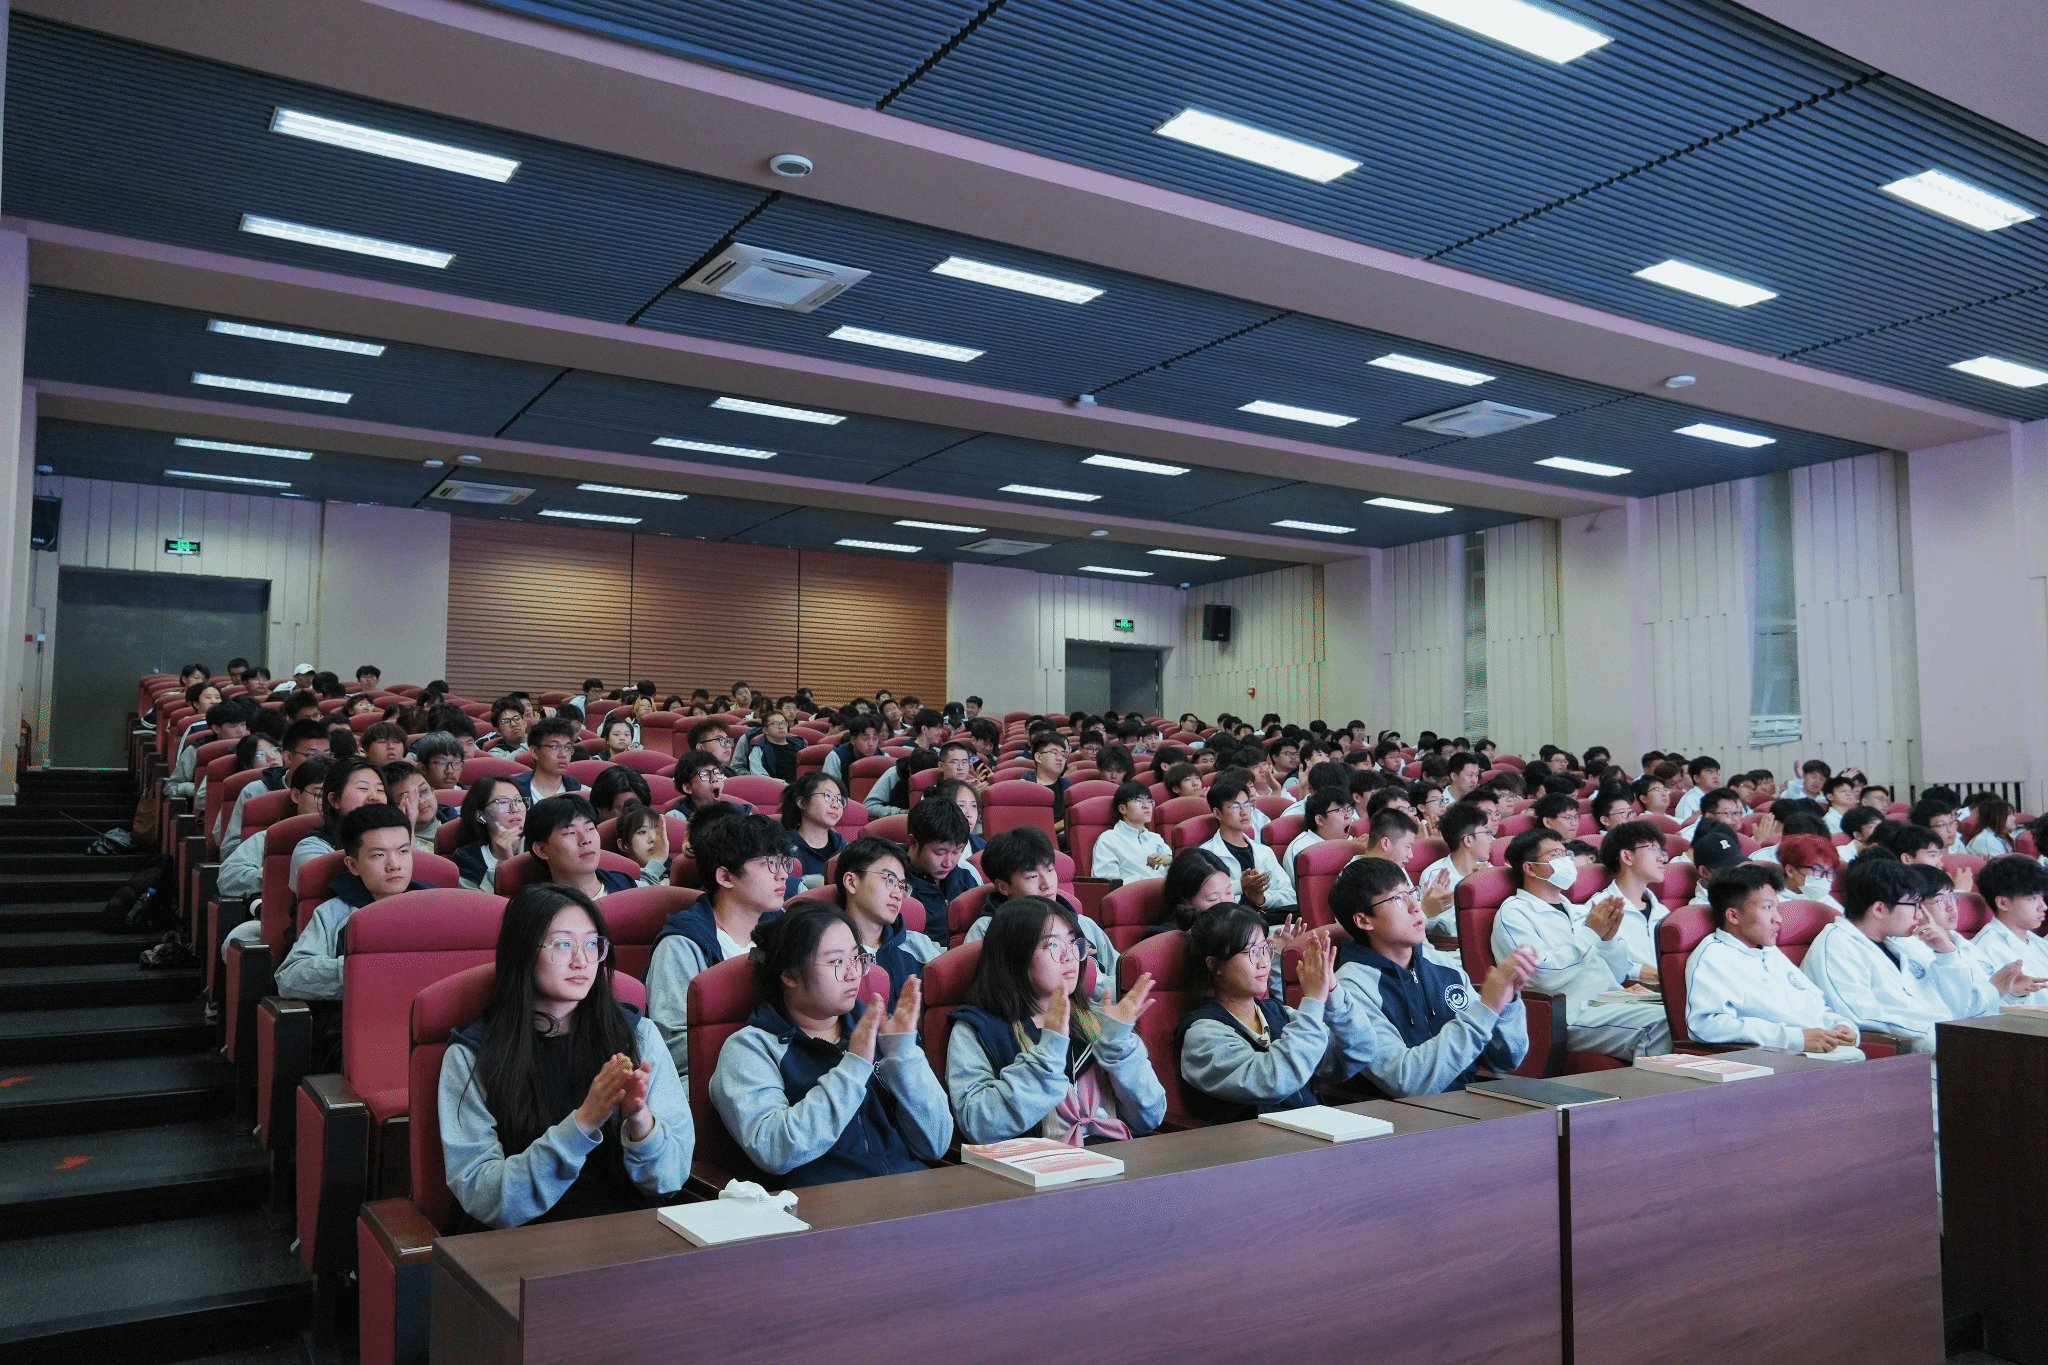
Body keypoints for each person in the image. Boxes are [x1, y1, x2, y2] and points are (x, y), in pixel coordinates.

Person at [440, 885, 691, 1228]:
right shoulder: (471, 1054)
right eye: (562, 944)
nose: (581, 961)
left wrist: (640, 1122)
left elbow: (671, 1178)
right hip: (524, 1241)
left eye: (591, 944)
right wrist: (583, 1123)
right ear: (522, 951)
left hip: (628, 1232)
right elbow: (484, 1196)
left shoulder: (638, 1035)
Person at [708, 902, 950, 1186]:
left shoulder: (880, 1030)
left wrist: (903, 1053)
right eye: (836, 962)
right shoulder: (752, 1048)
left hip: (906, 1191)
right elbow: (774, 1150)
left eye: (856, 958)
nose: (853, 973)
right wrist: (854, 1067)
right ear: (790, 974)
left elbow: (936, 1144)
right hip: (822, 1203)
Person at [945, 897, 1163, 1145]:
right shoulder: (978, 1029)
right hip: (1035, 1164)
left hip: (1116, 1156)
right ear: (1015, 956)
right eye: (1053, 945)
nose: (1070, 955)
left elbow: (1150, 1118)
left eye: (1073, 942)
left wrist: (1119, 1045)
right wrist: (1049, 1052)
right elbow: (977, 1125)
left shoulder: (1099, 1019)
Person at [1329, 857, 1534, 1095]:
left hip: (1465, 1102)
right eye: (1398, 898)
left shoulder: (1443, 965)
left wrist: (1506, 1004)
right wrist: (1486, 1009)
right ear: (1364, 920)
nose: (1416, 907)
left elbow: (1505, 1060)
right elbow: (1405, 1081)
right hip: (1399, 1114)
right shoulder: (1351, 988)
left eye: (1412, 893)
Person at [1801, 855, 2012, 1052]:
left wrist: (1945, 953)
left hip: (1947, 1038)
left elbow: (1958, 1005)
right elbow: (1861, 1015)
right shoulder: (1837, 945)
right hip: (1912, 1053)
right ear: (1879, 909)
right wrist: (1943, 1034)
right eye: (1913, 905)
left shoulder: (1897, 944)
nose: (1921, 914)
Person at [1492, 829, 1670, 1059]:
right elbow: (1543, 976)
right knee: (1662, 1026)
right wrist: (1590, 934)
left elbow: (1618, 973)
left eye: (1566, 853)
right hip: (1567, 1012)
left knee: (1681, 1015)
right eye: (1556, 855)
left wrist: (1608, 940)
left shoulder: (1577, 911)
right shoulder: (1514, 913)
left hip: (1610, 1000)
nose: (1566, 860)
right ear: (1530, 868)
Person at [276, 804, 427, 1066]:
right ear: (353, 865)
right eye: (378, 855)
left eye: (403, 851)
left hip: (427, 1026)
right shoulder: (334, 913)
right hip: (361, 1031)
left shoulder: (437, 907)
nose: (394, 865)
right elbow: (290, 976)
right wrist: (366, 972)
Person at [1176, 905, 1358, 1120]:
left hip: (1310, 1130)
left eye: (1265, 949)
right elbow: (1273, 1081)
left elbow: (1352, 1056)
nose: (1264, 963)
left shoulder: (1278, 1013)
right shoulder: (1202, 1036)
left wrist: (1332, 991)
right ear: (1215, 964)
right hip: (1253, 1140)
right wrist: (1313, 1002)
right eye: (1252, 952)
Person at [645, 812, 793, 1071]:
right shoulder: (682, 945)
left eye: (784, 862)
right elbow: (673, 1045)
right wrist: (757, 1056)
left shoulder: (785, 931)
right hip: (714, 1076)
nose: (783, 874)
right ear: (725, 877)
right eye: (769, 863)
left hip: (783, 1065)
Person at [1684, 862, 1862, 1056]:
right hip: (1782, 1059)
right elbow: (1705, 1025)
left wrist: (1840, 1025)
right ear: (1733, 915)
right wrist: (1794, 1038)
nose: (1778, 918)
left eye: (1777, 907)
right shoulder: (1713, 957)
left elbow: (1814, 1007)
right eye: (1767, 907)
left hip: (1828, 1055)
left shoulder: (1770, 951)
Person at [836, 836, 943, 1001]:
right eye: (889, 880)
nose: (898, 894)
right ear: (851, 882)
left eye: (902, 886)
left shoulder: (919, 946)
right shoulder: (829, 953)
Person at [1578, 821, 1672, 987]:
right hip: (1623, 993)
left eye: (1661, 851)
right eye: (1652, 849)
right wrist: (1638, 970)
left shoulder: (1663, 911)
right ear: (1627, 857)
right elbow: (1592, 961)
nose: (1662, 858)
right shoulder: (1599, 908)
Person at [291, 756, 389, 892]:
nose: (374, 797)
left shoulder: (394, 841)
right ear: (334, 800)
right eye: (363, 788)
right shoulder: (311, 849)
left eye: (380, 790)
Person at [1199, 775, 1296, 912]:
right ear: (1217, 813)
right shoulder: (1206, 855)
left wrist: (1262, 899)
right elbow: (1204, 901)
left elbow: (1290, 897)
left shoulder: (1264, 852)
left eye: (1247, 805)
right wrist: (1240, 886)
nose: (1244, 812)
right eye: (1235, 806)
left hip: (1270, 919)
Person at [1967, 855, 2048, 1005]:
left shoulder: (2037, 941)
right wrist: (2018, 996)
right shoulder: (1986, 948)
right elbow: (1990, 1006)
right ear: (2003, 903)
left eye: (2042, 898)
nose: (2043, 906)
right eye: (2033, 898)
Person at [527, 795, 637, 900]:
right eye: (570, 832)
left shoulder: (625, 883)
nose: (586, 840)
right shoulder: (537, 906)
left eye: (590, 828)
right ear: (542, 850)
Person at [902, 796, 984, 936]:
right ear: (913, 842)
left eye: (957, 851)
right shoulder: (893, 880)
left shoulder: (968, 872)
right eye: (939, 853)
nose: (948, 863)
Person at [1415, 802, 1493, 938]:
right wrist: (1469, 886)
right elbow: (1446, 929)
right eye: (1486, 832)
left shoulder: (1488, 870)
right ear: (1468, 840)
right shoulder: (1435, 875)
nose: (1490, 839)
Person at [452, 776, 528, 892]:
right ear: (480, 816)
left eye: (519, 801)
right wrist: (503, 863)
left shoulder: (538, 845)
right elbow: (479, 902)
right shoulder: (467, 859)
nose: (515, 809)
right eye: (503, 803)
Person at [1090, 780, 1173, 884]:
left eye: (1149, 801)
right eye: (1139, 801)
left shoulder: (1156, 838)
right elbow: (1107, 882)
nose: (1147, 806)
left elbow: (1174, 868)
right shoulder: (1109, 839)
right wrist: (1144, 882)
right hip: (1134, 892)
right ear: (1122, 809)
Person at [781, 773, 848, 891]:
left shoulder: (846, 849)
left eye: (839, 800)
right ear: (802, 803)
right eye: (827, 796)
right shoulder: (782, 848)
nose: (836, 805)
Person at [1158, 848, 1236, 932]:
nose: (1226, 904)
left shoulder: (1237, 924)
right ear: (1184, 901)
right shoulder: (1165, 936)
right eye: (1213, 898)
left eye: (1228, 892)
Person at [511, 717, 585, 805]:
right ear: (535, 752)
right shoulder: (513, 790)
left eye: (568, 748)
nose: (563, 754)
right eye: (554, 747)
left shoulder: (581, 792)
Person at [383, 760, 442, 852]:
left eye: (424, 791)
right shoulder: (392, 847)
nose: (421, 801)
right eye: (409, 798)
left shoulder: (456, 816)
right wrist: (408, 826)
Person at [1775, 833, 1844, 912]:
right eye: (1818, 870)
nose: (1825, 877)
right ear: (1790, 871)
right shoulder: (1775, 903)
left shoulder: (1824, 899)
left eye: (1830, 871)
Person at [609, 803, 673, 887]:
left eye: (657, 831)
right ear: (623, 845)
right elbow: (640, 893)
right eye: (642, 832)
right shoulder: (619, 880)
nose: (653, 838)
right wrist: (657, 862)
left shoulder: (676, 868)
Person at [1020, 731, 1073, 830]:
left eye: (1063, 754)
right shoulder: (1024, 785)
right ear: (1038, 757)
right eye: (1054, 753)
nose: (1060, 758)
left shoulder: (1068, 787)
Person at [822, 714, 883, 783]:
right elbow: (828, 787)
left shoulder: (883, 757)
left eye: (875, 738)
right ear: (853, 740)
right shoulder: (836, 757)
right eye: (866, 739)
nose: (871, 744)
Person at [747, 711, 802, 783]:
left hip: (804, 786)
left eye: (783, 723)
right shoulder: (758, 749)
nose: (781, 727)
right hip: (776, 787)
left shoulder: (800, 743)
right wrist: (785, 785)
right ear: (765, 730)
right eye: (775, 724)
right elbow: (758, 775)